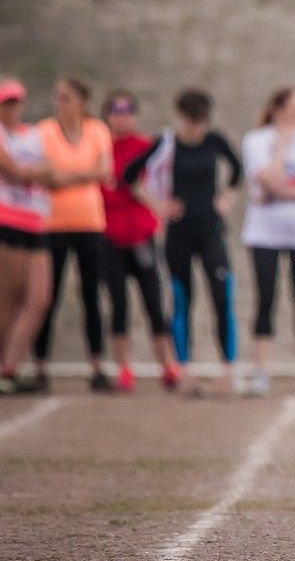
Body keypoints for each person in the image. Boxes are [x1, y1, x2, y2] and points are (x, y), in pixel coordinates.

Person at [123, 88, 243, 397]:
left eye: (201, 120)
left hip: (211, 231)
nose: (196, 127)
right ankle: (185, 370)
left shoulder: (214, 140)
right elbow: (130, 174)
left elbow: (238, 169)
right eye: (191, 120)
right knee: (181, 300)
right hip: (179, 233)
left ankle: (228, 370)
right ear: (181, 117)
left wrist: (226, 198)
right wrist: (157, 204)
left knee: (222, 295)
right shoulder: (166, 144)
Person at [241, 87, 295, 398]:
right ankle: (261, 371)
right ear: (277, 109)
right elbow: (264, 177)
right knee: (265, 297)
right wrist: (281, 146)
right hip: (264, 232)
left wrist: (277, 190)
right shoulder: (256, 140)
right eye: (293, 109)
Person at [35, 78, 114, 391]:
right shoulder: (44, 131)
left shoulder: (97, 130)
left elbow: (105, 172)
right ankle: (40, 366)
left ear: (82, 101)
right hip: (52, 224)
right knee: (48, 297)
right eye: (58, 97)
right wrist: (85, 174)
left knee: (92, 296)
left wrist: (65, 176)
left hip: (90, 223)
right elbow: (47, 177)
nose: (61, 103)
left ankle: (97, 365)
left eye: (67, 97)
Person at [100, 90, 180, 392]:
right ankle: (124, 369)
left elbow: (155, 180)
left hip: (142, 235)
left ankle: (168, 365)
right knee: (118, 304)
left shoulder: (146, 147)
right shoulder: (101, 148)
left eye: (128, 110)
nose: (123, 117)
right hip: (110, 236)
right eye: (116, 111)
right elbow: (106, 186)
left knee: (154, 303)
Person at [0, 79, 58, 395]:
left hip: (36, 222)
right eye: (6, 103)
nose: (12, 108)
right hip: (7, 220)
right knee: (8, 298)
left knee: (39, 298)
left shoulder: (31, 135)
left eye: (16, 102)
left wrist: (30, 172)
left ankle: (11, 366)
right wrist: (34, 172)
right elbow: (14, 172)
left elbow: (51, 170)